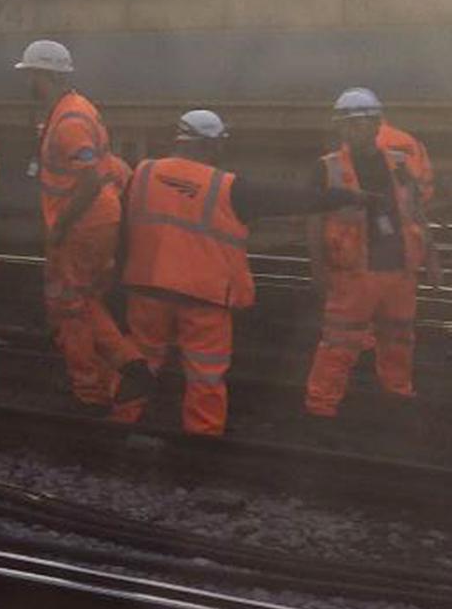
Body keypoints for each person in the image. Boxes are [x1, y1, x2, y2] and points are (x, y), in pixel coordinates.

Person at [116, 110, 367, 436]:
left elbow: (120, 226)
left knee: (139, 360)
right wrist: (345, 195)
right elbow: (290, 199)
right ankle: (202, 437)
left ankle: (119, 423)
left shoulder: (143, 173)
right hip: (204, 298)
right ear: (213, 146)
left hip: (148, 289)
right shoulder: (227, 187)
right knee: (205, 374)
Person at [16, 39, 155, 411]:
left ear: (43, 76)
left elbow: (89, 179)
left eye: (30, 75)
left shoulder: (70, 120)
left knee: (71, 309)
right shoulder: (72, 109)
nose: (27, 82)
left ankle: (96, 388)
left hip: (82, 225)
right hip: (95, 221)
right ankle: (121, 377)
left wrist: (61, 224)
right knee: (87, 300)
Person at [304, 88, 434, 420]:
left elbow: (415, 212)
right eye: (349, 124)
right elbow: (314, 222)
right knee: (339, 343)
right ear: (340, 128)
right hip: (353, 274)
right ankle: (321, 406)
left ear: (377, 125)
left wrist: (431, 258)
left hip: (398, 269)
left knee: (399, 338)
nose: (356, 130)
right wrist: (318, 271)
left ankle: (397, 395)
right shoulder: (327, 168)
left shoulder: (401, 164)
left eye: (363, 123)